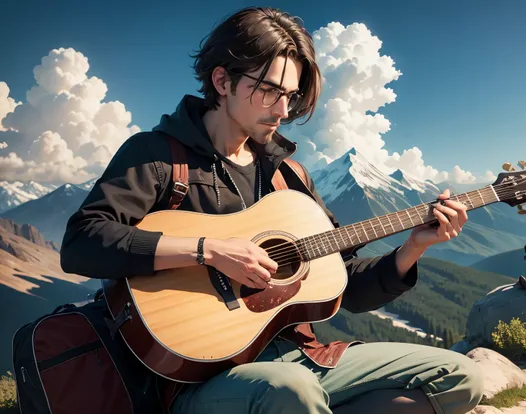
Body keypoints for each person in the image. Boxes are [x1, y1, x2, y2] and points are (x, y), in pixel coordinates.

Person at [60, 6, 484, 414]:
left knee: (460, 376)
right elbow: (82, 241)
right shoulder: (157, 157)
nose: (283, 111)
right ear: (222, 80)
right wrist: (208, 250)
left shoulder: (290, 176)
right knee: (291, 392)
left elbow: (345, 285)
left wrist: (412, 249)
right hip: (202, 379)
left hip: (303, 358)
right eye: (269, 91)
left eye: (291, 96)